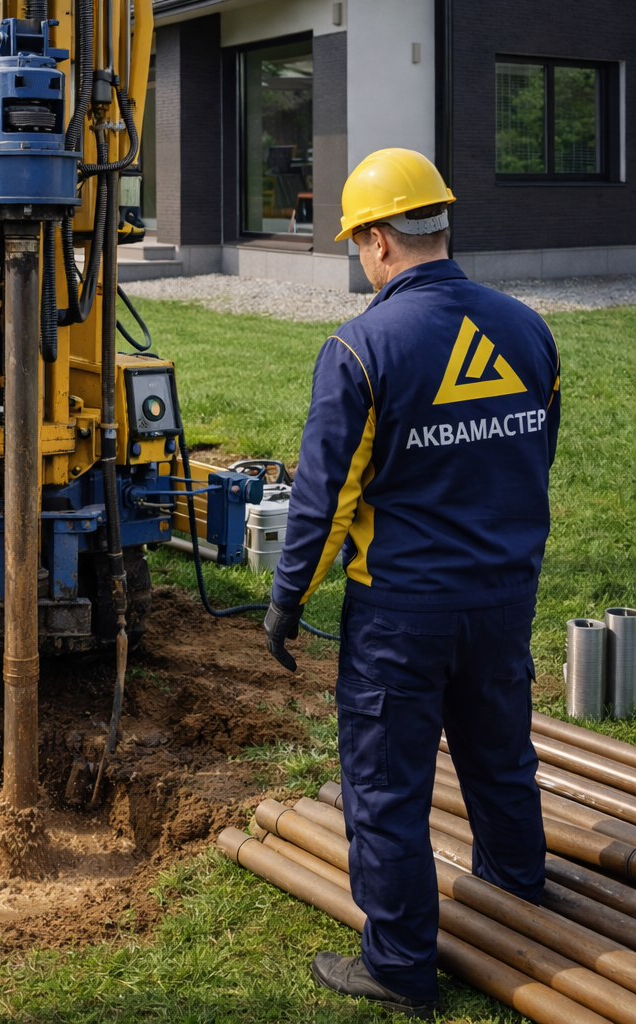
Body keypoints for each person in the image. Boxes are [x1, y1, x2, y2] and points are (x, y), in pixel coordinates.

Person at [263, 149, 560, 1019]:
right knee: (500, 756)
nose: (362, 255)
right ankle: (516, 893)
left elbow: (325, 499)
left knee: (386, 784)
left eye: (359, 240)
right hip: (503, 597)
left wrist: (287, 599)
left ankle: (399, 965)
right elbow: (532, 454)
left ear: (380, 240)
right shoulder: (527, 330)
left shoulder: (360, 348)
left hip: (402, 611)